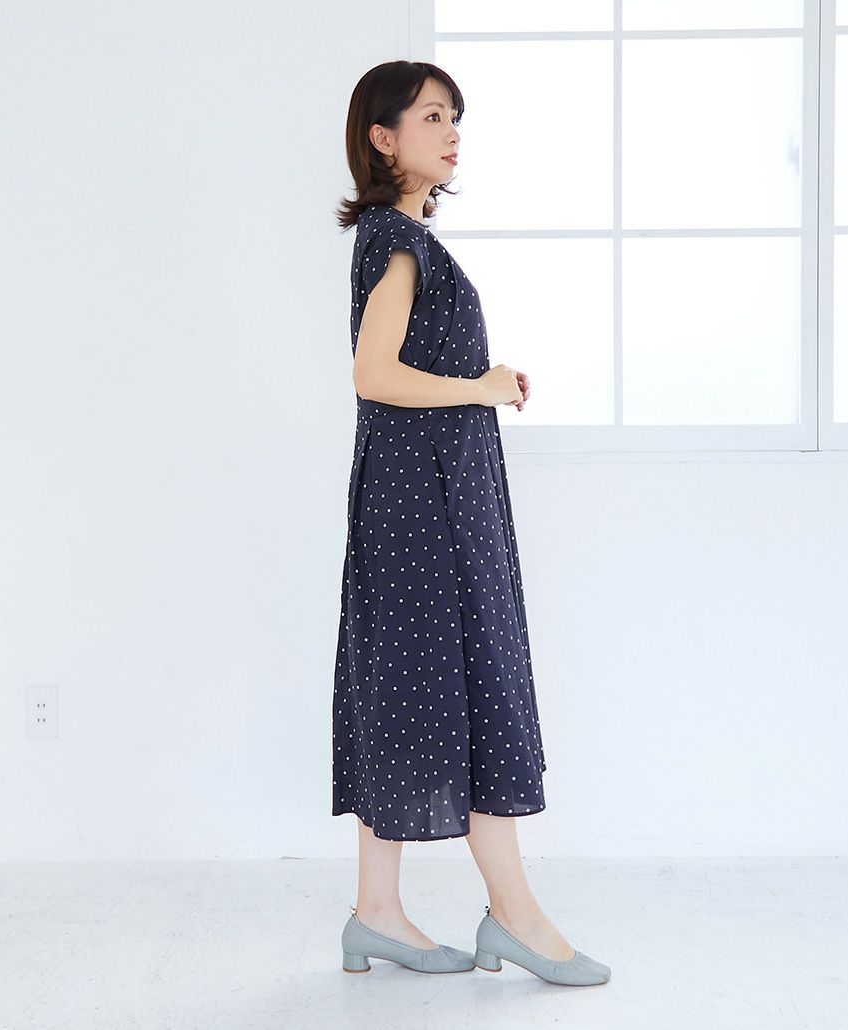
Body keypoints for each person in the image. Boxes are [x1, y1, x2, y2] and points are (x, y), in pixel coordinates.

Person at [331, 60, 610, 987]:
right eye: (432, 117)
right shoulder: (395, 240)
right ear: (382, 138)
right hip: (426, 505)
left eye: (456, 117)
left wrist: (481, 384)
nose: (452, 133)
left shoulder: (405, 238)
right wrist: (478, 388)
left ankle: (376, 913)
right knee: (470, 685)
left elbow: (406, 369)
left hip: (424, 493)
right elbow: (373, 374)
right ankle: (516, 917)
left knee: (407, 686)